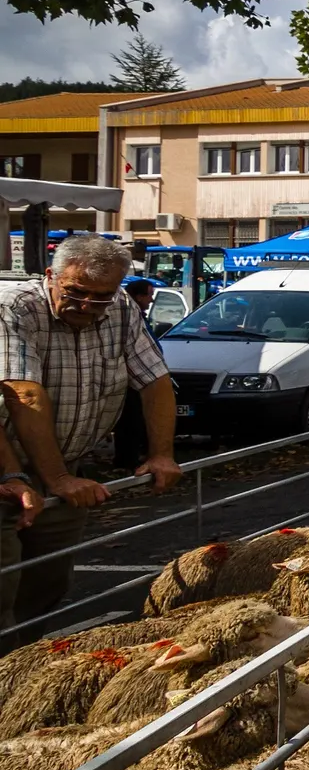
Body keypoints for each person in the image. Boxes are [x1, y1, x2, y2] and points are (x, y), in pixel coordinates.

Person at [0, 235, 180, 642]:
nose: (86, 305)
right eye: (75, 292)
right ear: (51, 276)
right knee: (2, 585)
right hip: (8, 465)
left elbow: (155, 380)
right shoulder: (15, 307)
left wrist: (162, 454)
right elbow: (22, 393)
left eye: (100, 296)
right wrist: (59, 479)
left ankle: (19, 664)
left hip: (66, 464)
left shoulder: (120, 307)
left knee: (46, 583)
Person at [112, 278, 156, 469]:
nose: (151, 300)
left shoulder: (138, 316)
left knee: (137, 419)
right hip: (131, 379)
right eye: (149, 295)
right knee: (131, 420)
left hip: (140, 376)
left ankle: (133, 455)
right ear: (138, 296)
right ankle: (127, 459)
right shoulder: (130, 317)